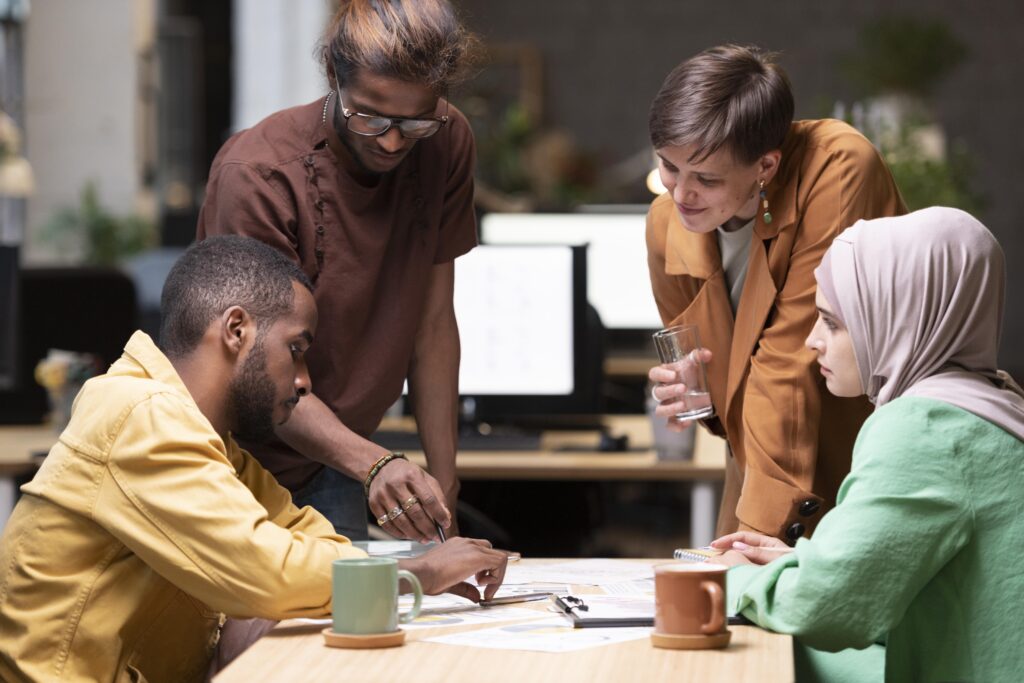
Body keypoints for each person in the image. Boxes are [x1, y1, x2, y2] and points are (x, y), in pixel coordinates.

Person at [0, 236, 508, 683]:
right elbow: (272, 569)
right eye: (296, 349)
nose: (304, 379)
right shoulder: (140, 417)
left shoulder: (209, 442)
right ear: (236, 330)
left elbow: (305, 538)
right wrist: (421, 573)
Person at [196, 0, 478, 542]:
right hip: (240, 462)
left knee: (353, 622)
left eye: (414, 120)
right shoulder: (258, 176)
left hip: (344, 451)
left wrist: (446, 484)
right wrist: (376, 464)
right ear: (333, 76)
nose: (394, 140)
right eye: (369, 116)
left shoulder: (445, 139)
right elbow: (258, 376)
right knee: (271, 625)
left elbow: (434, 324)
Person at [711, 208, 1024, 682]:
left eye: (833, 322)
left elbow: (824, 609)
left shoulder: (925, 428)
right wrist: (803, 563)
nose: (812, 342)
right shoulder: (997, 404)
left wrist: (728, 578)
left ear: (901, 319)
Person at [645, 44, 906, 541]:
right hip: (760, 461)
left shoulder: (837, 166)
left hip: (867, 453)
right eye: (669, 167)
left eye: (705, 178)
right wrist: (697, 389)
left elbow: (790, 356)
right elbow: (719, 388)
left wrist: (755, 539)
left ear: (765, 167)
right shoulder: (664, 225)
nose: (681, 194)